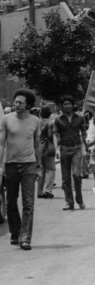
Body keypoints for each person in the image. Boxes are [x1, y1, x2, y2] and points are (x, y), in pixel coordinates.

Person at [0, 89, 42, 250]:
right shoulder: (6, 119)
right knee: (11, 202)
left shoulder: (35, 121)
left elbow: (38, 144)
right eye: (15, 101)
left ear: (28, 105)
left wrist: (39, 166)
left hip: (29, 165)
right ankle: (15, 231)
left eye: (20, 102)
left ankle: (25, 237)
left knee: (28, 203)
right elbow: (1, 143)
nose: (16, 104)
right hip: (10, 165)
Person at [54, 95, 88, 211]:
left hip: (76, 148)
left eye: (69, 104)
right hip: (63, 148)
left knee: (77, 175)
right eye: (65, 104)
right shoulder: (58, 119)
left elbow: (84, 133)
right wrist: (56, 150)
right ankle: (69, 202)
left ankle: (80, 200)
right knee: (66, 178)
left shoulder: (80, 117)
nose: (67, 106)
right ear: (62, 106)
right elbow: (55, 135)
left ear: (73, 105)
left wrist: (85, 147)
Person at [37, 105, 56, 199]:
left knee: (42, 169)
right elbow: (51, 136)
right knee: (51, 169)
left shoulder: (37, 122)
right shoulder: (51, 123)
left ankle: (39, 191)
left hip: (38, 148)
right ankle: (47, 190)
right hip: (47, 147)